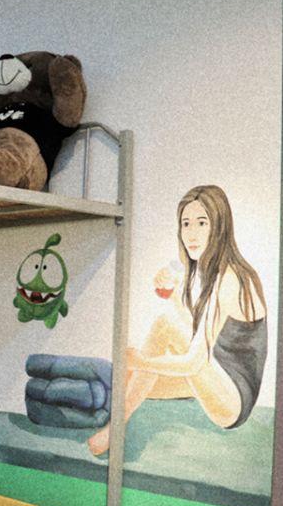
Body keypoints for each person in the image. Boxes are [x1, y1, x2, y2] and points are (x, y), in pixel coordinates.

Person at [88, 185, 267, 456]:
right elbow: (199, 336)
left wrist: (140, 360)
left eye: (202, 223)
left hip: (232, 400)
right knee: (129, 380)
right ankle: (108, 417)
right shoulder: (218, 273)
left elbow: (194, 361)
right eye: (186, 224)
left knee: (163, 327)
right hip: (215, 377)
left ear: (219, 226)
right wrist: (173, 296)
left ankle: (115, 429)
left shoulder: (231, 279)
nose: (191, 234)